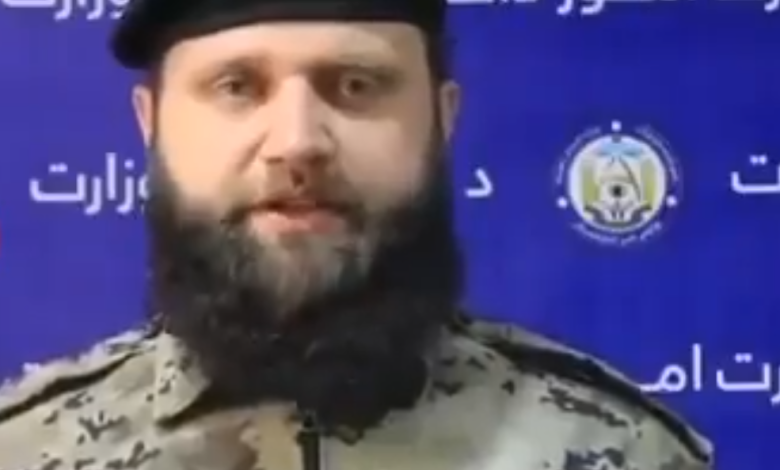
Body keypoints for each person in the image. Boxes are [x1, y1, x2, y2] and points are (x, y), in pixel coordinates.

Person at [0, 0, 713, 467]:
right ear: (150, 123)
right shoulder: (24, 450)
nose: (298, 141)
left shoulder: (620, 450)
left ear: (444, 118)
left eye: (356, 86)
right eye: (238, 87)